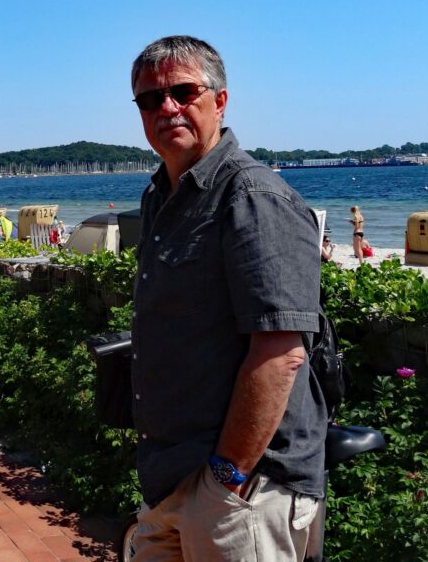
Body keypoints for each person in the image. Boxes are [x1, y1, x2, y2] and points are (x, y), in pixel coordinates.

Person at [129, 36, 326, 561]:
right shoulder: (161, 197)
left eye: (183, 92)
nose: (167, 108)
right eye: (150, 98)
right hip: (173, 475)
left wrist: (226, 475)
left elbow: (281, 353)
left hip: (243, 486)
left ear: (219, 101)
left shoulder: (253, 196)